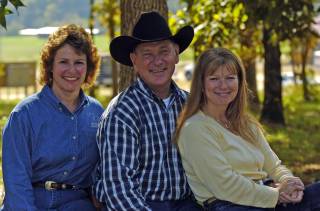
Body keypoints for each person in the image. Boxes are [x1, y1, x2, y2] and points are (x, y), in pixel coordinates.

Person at [175, 47, 320, 211]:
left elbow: (274, 165)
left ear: (239, 81)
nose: (223, 85)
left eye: (230, 78)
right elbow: (225, 184)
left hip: (265, 197)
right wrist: (276, 195)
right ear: (201, 83)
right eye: (214, 78)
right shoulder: (195, 128)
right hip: (229, 205)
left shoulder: (244, 122)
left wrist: (290, 182)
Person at [93, 11, 200, 211]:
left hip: (189, 203)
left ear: (176, 54)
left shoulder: (191, 105)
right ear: (134, 60)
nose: (157, 61)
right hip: (142, 204)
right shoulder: (122, 112)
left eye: (164, 51)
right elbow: (119, 188)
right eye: (147, 54)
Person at [2, 24, 104, 210]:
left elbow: (102, 171)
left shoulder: (97, 113)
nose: (71, 70)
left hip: (78, 205)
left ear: (89, 67)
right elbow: (16, 182)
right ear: (50, 66)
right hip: (32, 202)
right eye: (63, 62)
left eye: (79, 62)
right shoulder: (24, 115)